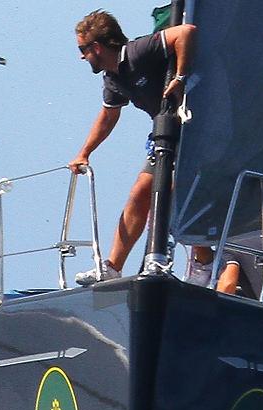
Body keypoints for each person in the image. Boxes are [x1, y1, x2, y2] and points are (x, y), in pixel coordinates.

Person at [70, 10, 196, 285]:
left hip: (194, 127)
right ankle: (113, 266)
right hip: (166, 133)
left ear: (97, 47)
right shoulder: (113, 78)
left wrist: (180, 77)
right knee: (140, 192)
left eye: (83, 49)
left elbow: (185, 33)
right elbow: (108, 116)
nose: (81, 56)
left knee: (174, 190)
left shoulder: (138, 51)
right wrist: (84, 152)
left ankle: (203, 261)